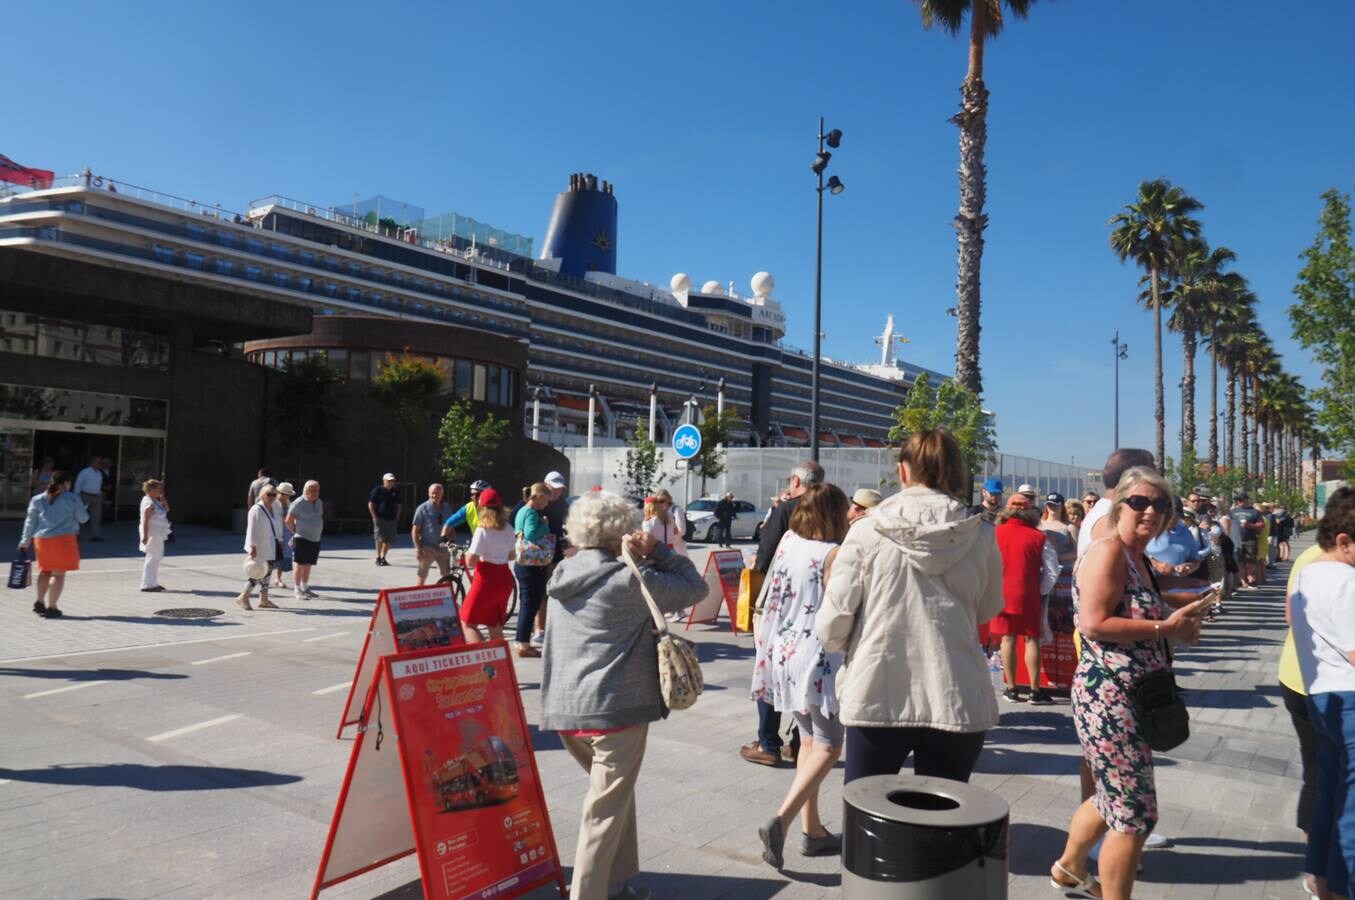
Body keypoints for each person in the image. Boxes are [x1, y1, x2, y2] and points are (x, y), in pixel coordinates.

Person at [539, 491, 705, 900]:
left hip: (565, 711)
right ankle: (588, 893)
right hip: (616, 711)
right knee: (603, 811)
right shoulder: (631, 578)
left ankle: (615, 884)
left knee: (613, 796)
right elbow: (696, 588)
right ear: (623, 532)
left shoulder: (562, 573)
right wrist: (657, 551)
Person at [1050, 466, 1204, 900]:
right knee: (1135, 814)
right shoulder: (1109, 552)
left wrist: (1182, 608)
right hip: (1110, 696)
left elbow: (1135, 605)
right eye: (1139, 502)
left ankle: (1068, 867)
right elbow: (1094, 623)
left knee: (1111, 796)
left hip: (1132, 693)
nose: (1150, 511)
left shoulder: (1137, 557)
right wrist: (1165, 629)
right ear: (1120, 506)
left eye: (1160, 504)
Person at [817, 428, 1003, 785]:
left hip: (877, 690)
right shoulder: (980, 535)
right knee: (942, 819)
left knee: (867, 818)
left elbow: (831, 627)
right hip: (955, 693)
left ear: (903, 471)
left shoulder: (866, 531)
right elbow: (987, 609)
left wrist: (859, 640)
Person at [752, 484, 851, 868]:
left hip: (783, 650)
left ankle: (813, 830)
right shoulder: (833, 554)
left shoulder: (789, 542)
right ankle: (783, 819)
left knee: (808, 741)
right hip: (817, 655)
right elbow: (841, 608)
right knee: (829, 744)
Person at [1288, 486, 1355, 900]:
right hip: (1349, 700)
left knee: (1331, 795)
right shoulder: (1346, 582)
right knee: (1350, 810)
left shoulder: (1308, 571)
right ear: (1344, 542)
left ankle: (1322, 879)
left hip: (1322, 695)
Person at [742, 460, 824, 767]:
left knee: (770, 668)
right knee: (805, 671)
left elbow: (764, 557)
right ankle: (799, 741)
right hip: (815, 605)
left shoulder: (787, 510)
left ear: (796, 481)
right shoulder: (829, 512)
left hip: (780, 603)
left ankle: (768, 743)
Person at [1279, 538, 1328, 899]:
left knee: (1320, 773)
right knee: (1323, 775)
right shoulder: (1327, 562)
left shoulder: (1310, 554)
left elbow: (1290, 617)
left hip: (1299, 677)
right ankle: (1319, 874)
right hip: (1317, 685)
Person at [993, 494, 1060, 703]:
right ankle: (1034, 690)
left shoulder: (994, 533)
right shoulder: (1039, 537)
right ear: (1030, 511)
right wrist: (1039, 590)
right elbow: (1052, 570)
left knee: (1007, 638)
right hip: (1028, 593)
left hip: (1000, 592)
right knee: (1032, 639)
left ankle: (1011, 689)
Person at [18, 471, 89, 618]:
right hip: (63, 539)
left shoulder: (37, 499)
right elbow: (83, 519)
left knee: (45, 571)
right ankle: (52, 606)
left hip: (42, 540)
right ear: (66, 483)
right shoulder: (73, 498)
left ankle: (39, 601)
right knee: (58, 574)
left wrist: (25, 541)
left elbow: (30, 522)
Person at [459, 488, 516, 643]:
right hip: (504, 578)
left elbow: (471, 560)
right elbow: (512, 555)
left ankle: (482, 660)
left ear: (482, 507)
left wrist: (464, 555)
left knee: (467, 622)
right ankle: (499, 663)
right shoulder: (509, 529)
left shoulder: (483, 530)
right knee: (495, 624)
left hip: (486, 579)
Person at [513, 482, 554, 658]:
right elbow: (530, 533)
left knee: (527, 603)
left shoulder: (522, 510)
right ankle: (523, 644)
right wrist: (544, 525)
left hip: (524, 563)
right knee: (530, 604)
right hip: (531, 565)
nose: (547, 504)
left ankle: (522, 641)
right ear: (540, 497)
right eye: (547, 500)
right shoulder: (531, 512)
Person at [239, 484, 284, 611]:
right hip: (260, 546)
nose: (272, 497)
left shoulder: (275, 507)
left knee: (267, 572)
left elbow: (278, 525)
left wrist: (280, 540)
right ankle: (244, 597)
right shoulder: (256, 509)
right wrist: (252, 547)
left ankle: (264, 599)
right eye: (269, 494)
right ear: (262, 495)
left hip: (271, 545)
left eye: (274, 494)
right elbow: (252, 529)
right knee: (257, 572)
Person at [538, 470, 570, 644]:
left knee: (554, 590)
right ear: (546, 485)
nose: (557, 492)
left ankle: (550, 626)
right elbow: (515, 518)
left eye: (560, 489)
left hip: (556, 551)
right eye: (554, 488)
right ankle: (539, 629)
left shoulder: (562, 503)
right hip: (538, 553)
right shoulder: (536, 500)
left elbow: (566, 523)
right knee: (541, 592)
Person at [1042, 492, 1078, 638]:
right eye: (1049, 505)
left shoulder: (1070, 527)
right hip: (1046, 574)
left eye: (1055, 505)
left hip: (1065, 576)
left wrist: (1055, 558)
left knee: (1064, 612)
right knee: (1046, 612)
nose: (1052, 508)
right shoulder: (1040, 524)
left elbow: (1077, 552)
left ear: (1062, 506)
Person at [285, 480, 323, 600]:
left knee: (308, 564)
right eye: (313, 490)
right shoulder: (298, 502)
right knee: (299, 564)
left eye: (317, 490)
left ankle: (305, 587)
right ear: (306, 490)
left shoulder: (319, 501)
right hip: (302, 538)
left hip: (315, 538)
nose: (316, 492)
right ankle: (297, 589)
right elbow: (288, 520)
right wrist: (295, 532)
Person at [411, 483, 454, 586]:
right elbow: (415, 530)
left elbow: (451, 527)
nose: (435, 495)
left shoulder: (447, 508)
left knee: (447, 576)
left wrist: (453, 542)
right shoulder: (422, 508)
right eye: (433, 493)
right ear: (428, 493)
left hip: (443, 547)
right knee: (422, 575)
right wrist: (418, 549)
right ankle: (418, 597)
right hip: (427, 547)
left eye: (438, 493)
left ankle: (449, 600)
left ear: (442, 494)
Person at [138, 479, 172, 592]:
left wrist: (162, 497)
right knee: (152, 557)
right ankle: (146, 584)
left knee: (155, 558)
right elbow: (145, 520)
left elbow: (166, 509)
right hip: (152, 532)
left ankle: (152, 583)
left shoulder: (155, 500)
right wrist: (145, 536)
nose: (160, 491)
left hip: (158, 532)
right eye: (158, 489)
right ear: (151, 490)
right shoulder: (149, 502)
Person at [1232, 493, 1265, 589]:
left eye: (1241, 500)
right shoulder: (1233, 512)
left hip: (1250, 540)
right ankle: (1242, 581)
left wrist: (1249, 525)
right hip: (1236, 540)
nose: (1239, 502)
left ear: (1247, 500)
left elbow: (1262, 525)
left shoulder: (1254, 512)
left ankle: (1251, 580)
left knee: (1251, 561)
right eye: (1237, 500)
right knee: (1239, 561)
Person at [368, 473, 401, 566]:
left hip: (391, 519)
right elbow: (371, 504)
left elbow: (398, 505)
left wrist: (397, 516)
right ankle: (378, 557)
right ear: (384, 481)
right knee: (379, 538)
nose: (391, 482)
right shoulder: (377, 490)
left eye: (392, 481)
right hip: (380, 518)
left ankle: (383, 557)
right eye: (389, 481)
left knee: (388, 540)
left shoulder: (395, 492)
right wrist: (374, 517)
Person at [642, 489, 687, 556]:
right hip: (670, 548)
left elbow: (681, 531)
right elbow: (675, 530)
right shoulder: (668, 516)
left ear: (668, 499)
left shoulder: (675, 511)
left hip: (676, 547)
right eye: (658, 501)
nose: (660, 503)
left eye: (662, 501)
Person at [74, 456, 105, 541]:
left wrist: (100, 494)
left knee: (96, 516)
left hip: (96, 496)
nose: (100, 464)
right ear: (93, 463)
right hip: (85, 496)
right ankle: (75, 533)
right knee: (80, 515)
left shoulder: (99, 473)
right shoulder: (85, 472)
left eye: (100, 463)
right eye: (98, 463)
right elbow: (78, 484)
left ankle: (96, 535)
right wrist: (76, 496)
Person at [273, 482, 295, 589]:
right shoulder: (274, 503)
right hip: (276, 533)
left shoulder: (288, 502)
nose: (289, 496)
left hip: (287, 533)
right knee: (272, 555)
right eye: (288, 494)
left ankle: (278, 578)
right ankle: (262, 577)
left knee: (283, 556)